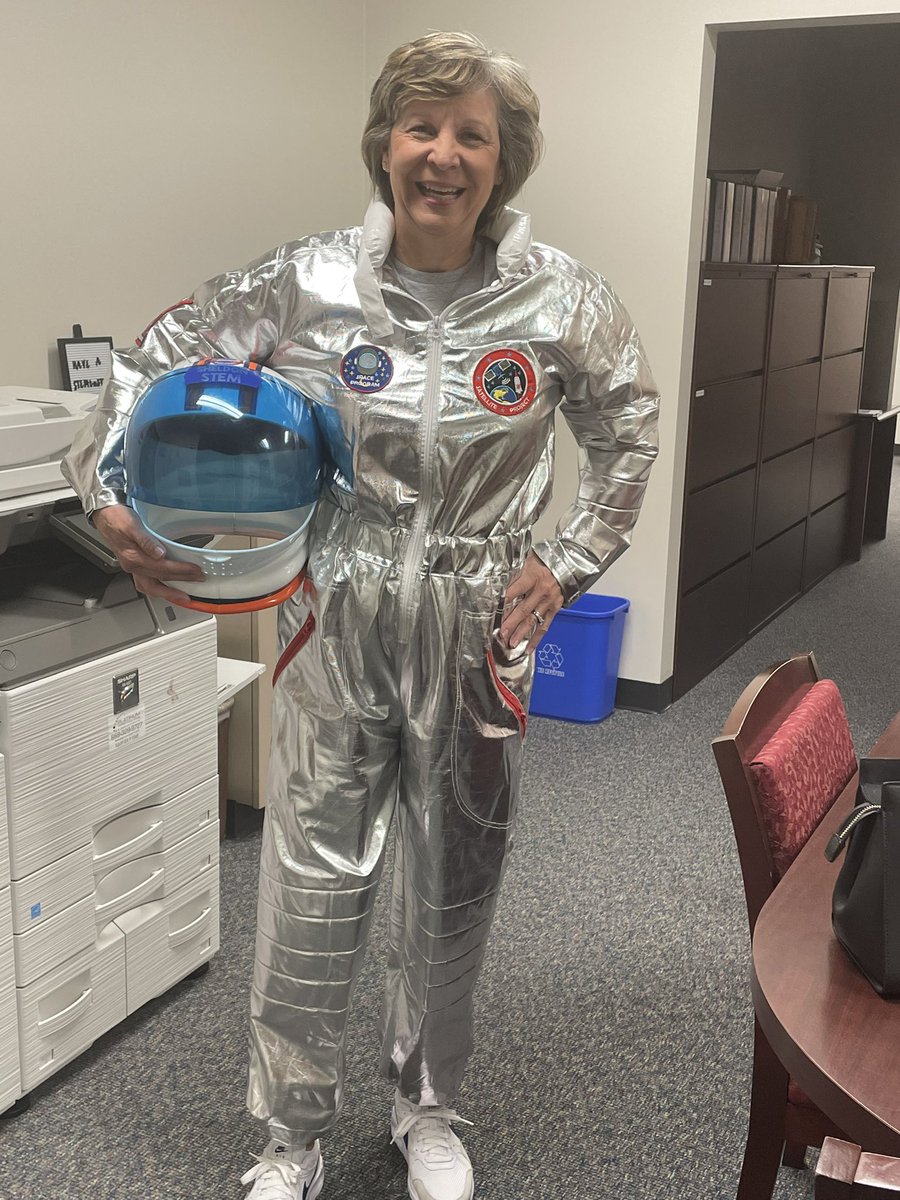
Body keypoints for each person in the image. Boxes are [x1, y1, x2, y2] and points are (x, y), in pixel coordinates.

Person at [62, 30, 659, 1200]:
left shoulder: (562, 298)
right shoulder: (308, 280)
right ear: (385, 143)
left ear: (506, 158)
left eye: (471, 134)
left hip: (482, 622)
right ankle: (288, 1134)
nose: (443, 155)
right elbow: (154, 356)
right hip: (340, 610)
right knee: (313, 875)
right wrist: (109, 495)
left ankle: (427, 1107)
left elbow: (629, 424)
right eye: (421, 127)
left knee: (457, 873)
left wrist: (575, 556)